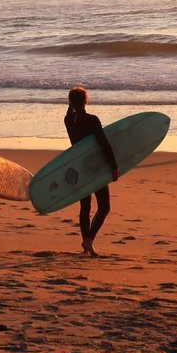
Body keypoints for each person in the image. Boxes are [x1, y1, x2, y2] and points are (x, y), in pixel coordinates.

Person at [64, 87, 119, 257]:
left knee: (85, 207)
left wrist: (71, 104)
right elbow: (104, 144)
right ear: (86, 101)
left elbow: (70, 112)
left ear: (70, 102)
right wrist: (114, 166)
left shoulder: (68, 120)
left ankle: (85, 245)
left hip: (79, 167)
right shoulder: (92, 120)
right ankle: (89, 240)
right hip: (95, 167)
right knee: (104, 207)